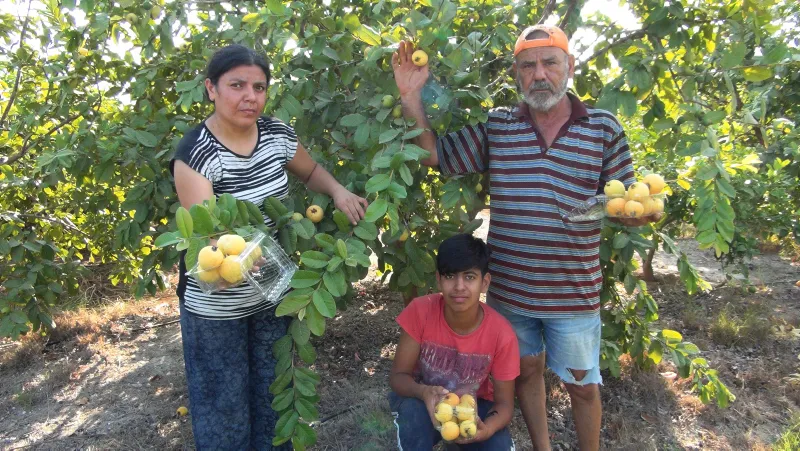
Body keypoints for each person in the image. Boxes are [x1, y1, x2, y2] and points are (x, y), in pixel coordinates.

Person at [392, 25, 659, 450]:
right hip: (513, 294)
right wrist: (410, 96)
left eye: (550, 62)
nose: (540, 74)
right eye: (528, 66)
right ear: (516, 75)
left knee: (584, 387)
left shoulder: (603, 127)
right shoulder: (499, 126)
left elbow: (624, 201)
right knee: (527, 376)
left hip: (573, 293)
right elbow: (434, 155)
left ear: (569, 67)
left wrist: (638, 216)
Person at [170, 44, 368, 450]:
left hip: (272, 296)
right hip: (217, 308)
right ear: (211, 88)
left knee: (274, 403)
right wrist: (247, 260)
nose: (250, 96)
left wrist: (338, 190)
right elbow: (212, 238)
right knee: (223, 413)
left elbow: (310, 170)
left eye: (259, 87)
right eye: (237, 85)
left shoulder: (276, 134)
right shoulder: (195, 155)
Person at [389, 233, 519, 450]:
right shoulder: (420, 312)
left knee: (498, 445)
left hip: (475, 407)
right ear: (439, 280)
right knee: (412, 422)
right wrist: (424, 392)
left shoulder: (502, 334)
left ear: (484, 283)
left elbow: (504, 405)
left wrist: (487, 428)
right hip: (421, 400)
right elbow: (398, 378)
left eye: (469, 277)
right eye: (450, 277)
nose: (459, 287)